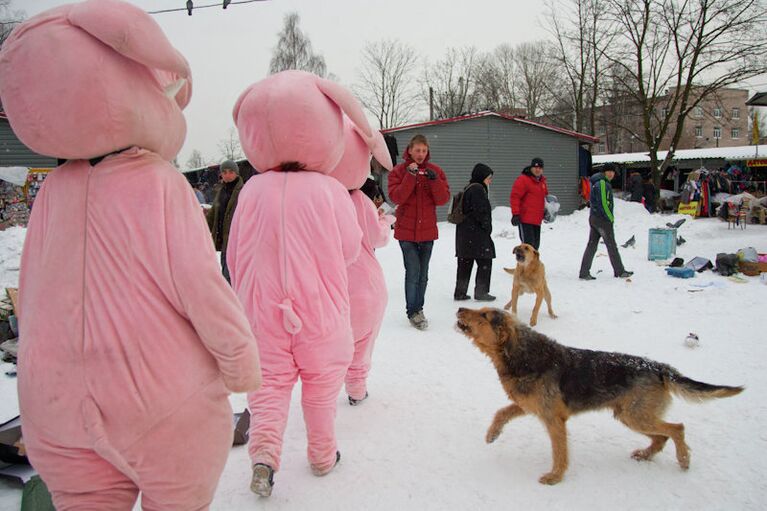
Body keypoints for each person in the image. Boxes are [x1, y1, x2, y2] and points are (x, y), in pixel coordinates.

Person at [0, 2, 262, 509]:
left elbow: (32, 289)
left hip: (56, 407)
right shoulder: (159, 181)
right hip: (159, 403)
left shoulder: (53, 189)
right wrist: (239, 361)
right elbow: (199, 285)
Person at [227, 70, 372, 496]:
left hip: (264, 313)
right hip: (321, 311)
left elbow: (234, 254)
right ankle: (322, 454)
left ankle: (264, 456)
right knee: (321, 385)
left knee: (268, 389)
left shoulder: (251, 191)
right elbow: (349, 249)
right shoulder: (329, 190)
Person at [388, 134, 451, 330]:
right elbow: (397, 196)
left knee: (423, 274)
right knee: (413, 272)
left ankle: (419, 308)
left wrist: (434, 182)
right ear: (410, 150)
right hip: (406, 233)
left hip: (427, 232)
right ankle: (412, 311)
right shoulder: (399, 171)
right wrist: (410, 176)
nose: (421, 154)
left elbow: (443, 199)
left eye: (424, 151)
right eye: (417, 150)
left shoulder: (435, 171)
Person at [579, 164, 634, 280]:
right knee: (611, 245)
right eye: (608, 171)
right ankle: (619, 271)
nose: (610, 174)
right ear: (604, 172)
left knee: (592, 245)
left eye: (612, 172)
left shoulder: (597, 182)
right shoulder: (602, 183)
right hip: (602, 219)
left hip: (594, 217)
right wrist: (610, 217)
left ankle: (584, 272)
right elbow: (604, 203)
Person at [454, 163, 496, 301]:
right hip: (476, 234)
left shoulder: (469, 188)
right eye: (488, 177)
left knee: (465, 263)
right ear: (481, 176)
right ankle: (481, 292)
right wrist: (487, 227)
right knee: (485, 261)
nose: (490, 181)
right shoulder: (478, 189)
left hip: (465, 233)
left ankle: (460, 292)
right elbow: (481, 212)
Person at [207, 159, 243, 283]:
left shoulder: (243, 191)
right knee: (226, 272)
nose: (227, 175)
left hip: (237, 240)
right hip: (223, 240)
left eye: (231, 172)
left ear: (236, 173)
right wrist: (202, 227)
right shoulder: (221, 191)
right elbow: (213, 213)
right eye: (224, 172)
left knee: (232, 274)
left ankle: (235, 298)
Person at [510, 157, 548, 250]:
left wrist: (546, 211)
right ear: (531, 168)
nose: (537, 169)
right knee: (527, 248)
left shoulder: (542, 182)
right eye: (535, 167)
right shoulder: (523, 180)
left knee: (535, 248)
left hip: (537, 220)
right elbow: (515, 197)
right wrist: (515, 214)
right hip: (525, 219)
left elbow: (544, 198)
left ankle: (533, 265)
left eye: (540, 168)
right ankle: (524, 265)